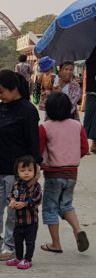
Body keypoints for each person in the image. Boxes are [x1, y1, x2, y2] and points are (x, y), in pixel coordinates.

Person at [0, 69, 40, 260]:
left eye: (1, 91)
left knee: (14, 211)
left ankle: (10, 246)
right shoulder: (0, 108)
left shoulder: (28, 111)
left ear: (14, 89)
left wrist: (34, 173)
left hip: (17, 173)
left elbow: (33, 143)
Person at [39, 92, 89, 254]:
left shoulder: (45, 127)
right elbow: (84, 149)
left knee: (50, 208)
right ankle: (78, 230)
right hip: (72, 174)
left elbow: (38, 151)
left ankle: (56, 244)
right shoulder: (77, 125)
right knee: (66, 205)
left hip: (53, 174)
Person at [5, 155, 42, 270]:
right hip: (19, 220)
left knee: (30, 242)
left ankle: (28, 259)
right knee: (18, 240)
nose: (26, 173)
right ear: (17, 172)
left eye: (30, 170)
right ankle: (19, 258)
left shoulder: (36, 186)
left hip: (31, 221)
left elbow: (38, 199)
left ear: (35, 171)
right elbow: (10, 195)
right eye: (23, 170)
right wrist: (11, 201)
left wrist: (25, 204)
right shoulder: (16, 185)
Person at [82, 45, 96, 153]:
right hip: (92, 91)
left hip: (91, 90)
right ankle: (83, 144)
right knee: (88, 118)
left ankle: (94, 145)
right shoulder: (91, 55)